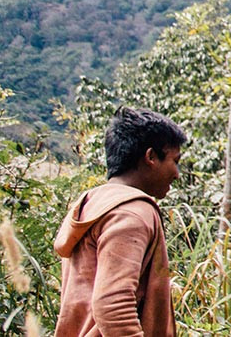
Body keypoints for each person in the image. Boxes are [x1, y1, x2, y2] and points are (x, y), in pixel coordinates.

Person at [54, 107, 187, 337]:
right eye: (174, 161)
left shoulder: (94, 203)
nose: (176, 173)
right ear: (151, 157)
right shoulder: (132, 213)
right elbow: (113, 305)